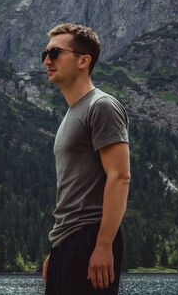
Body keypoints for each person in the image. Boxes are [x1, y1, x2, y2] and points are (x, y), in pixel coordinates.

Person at [41, 23, 131, 295]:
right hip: (67, 243)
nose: (47, 60)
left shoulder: (101, 106)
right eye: (44, 53)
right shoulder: (72, 113)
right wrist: (56, 251)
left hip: (90, 239)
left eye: (55, 53)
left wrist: (103, 245)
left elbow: (120, 176)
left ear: (83, 60)